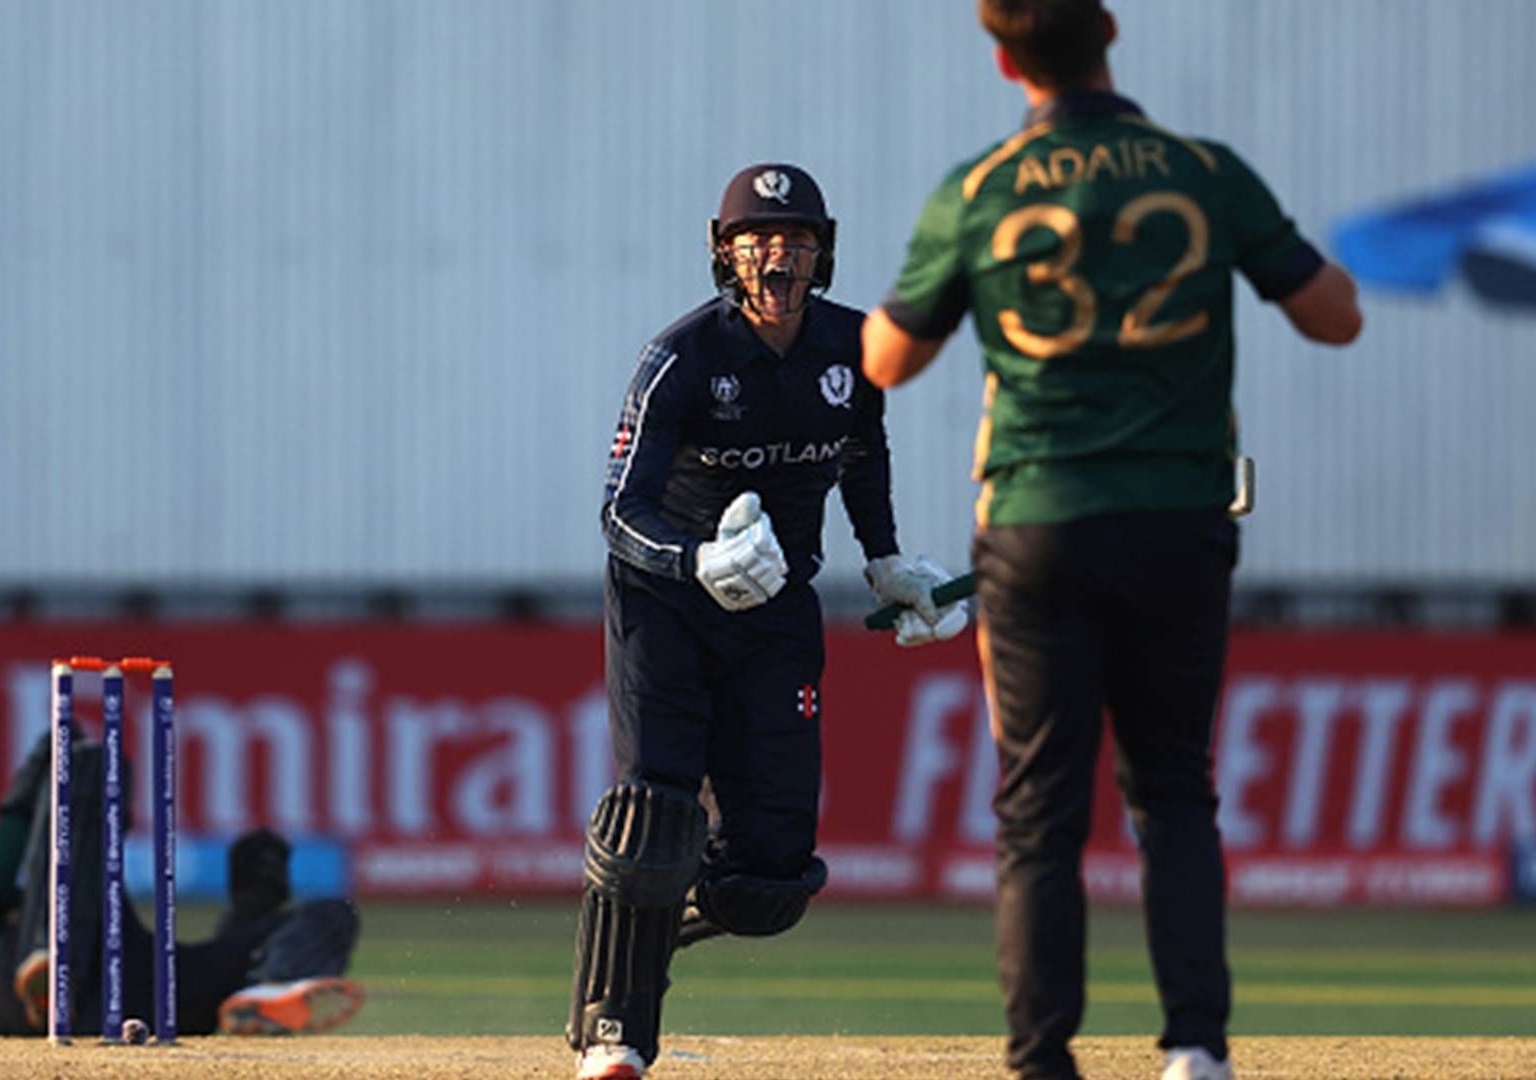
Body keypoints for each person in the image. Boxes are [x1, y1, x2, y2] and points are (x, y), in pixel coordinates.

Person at [861, 4, 1363, 1079]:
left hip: (1036, 519)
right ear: (1111, 36)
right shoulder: (1201, 171)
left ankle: (1042, 1059)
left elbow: (889, 359)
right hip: (1180, 520)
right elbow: (1333, 317)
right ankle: (1195, 1048)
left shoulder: (981, 188)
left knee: (1037, 807)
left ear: (1004, 59)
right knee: (1175, 787)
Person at [569, 162, 972, 1080]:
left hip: (778, 607)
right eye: (758, 242)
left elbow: (862, 453)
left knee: (770, 879)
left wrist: (886, 561)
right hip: (667, 602)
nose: (778, 259)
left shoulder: (855, 347)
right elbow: (618, 512)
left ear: (822, 254)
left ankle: (636, 918)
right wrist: (691, 559)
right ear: (725, 255)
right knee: (655, 813)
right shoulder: (681, 358)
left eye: (796, 243)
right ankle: (613, 1031)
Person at [0, 738, 364, 1038]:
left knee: (331, 912)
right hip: (51, 1002)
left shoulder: (101, 892)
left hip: (147, 987)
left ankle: (268, 991)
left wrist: (251, 911)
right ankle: (57, 966)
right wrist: (27, 797)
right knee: (90, 765)